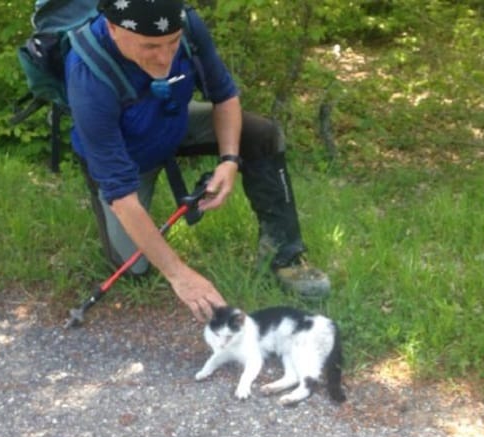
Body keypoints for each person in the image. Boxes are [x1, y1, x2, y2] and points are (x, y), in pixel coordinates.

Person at [64, 0, 330, 323]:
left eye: (172, 43)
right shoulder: (86, 72)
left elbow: (224, 95)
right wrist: (180, 275)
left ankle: (285, 256)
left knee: (263, 134)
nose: (164, 58)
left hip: (173, 123)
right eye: (150, 46)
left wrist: (229, 159)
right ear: (113, 28)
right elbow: (121, 195)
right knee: (135, 267)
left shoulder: (188, 25)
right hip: (126, 154)